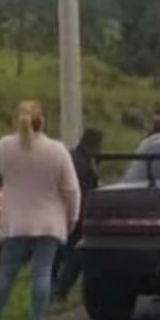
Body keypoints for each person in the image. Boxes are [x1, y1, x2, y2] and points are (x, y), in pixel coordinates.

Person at [0, 101, 81, 320]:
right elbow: (71, 189)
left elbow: (1, 173)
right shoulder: (56, 150)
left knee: (5, 273)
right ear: (43, 120)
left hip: (14, 221)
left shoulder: (4, 147)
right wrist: (73, 217)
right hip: (48, 221)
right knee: (42, 273)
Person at [54, 127, 104, 302]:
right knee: (76, 256)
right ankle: (61, 291)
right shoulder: (85, 165)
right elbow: (86, 191)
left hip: (60, 212)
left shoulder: (71, 157)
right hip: (78, 214)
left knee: (59, 253)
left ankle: (53, 289)